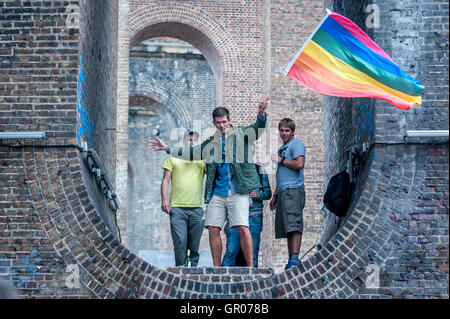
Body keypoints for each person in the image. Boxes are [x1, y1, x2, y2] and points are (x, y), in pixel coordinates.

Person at [149, 98, 269, 267]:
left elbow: (258, 128)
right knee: (213, 227)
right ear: (214, 123)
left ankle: (251, 268)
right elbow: (193, 153)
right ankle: (217, 269)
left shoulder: (242, 134)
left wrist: (262, 114)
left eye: (224, 122)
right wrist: (167, 148)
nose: (222, 126)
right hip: (218, 192)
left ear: (230, 121)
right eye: (218, 123)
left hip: (238, 190)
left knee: (242, 227)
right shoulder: (211, 142)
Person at [160, 130, 206, 267]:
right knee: (180, 242)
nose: (191, 142)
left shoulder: (201, 159)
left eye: (194, 140)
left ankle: (193, 273)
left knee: (194, 246)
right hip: (177, 208)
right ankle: (180, 271)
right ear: (183, 142)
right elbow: (166, 180)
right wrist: (164, 200)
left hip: (196, 208)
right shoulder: (173, 158)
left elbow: (211, 172)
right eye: (189, 140)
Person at [269, 118, 306, 270]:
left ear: (292, 132)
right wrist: (275, 196)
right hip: (283, 191)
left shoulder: (296, 144)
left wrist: (281, 160)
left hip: (293, 190)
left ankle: (294, 259)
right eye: (282, 130)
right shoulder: (282, 148)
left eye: (287, 131)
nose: (284, 133)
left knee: (294, 225)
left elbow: (299, 164)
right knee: (288, 227)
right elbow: (281, 174)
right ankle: (292, 260)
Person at [221, 164, 271, 268]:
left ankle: (252, 282)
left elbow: (268, 193)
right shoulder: (232, 169)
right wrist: (228, 219)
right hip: (236, 216)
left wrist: (259, 195)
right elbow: (227, 196)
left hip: (254, 217)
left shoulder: (260, 169)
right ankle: (223, 281)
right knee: (231, 252)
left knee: (252, 255)